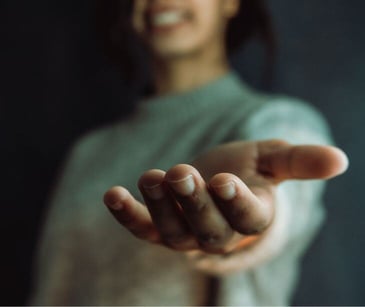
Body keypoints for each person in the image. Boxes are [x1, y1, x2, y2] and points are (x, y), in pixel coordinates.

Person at [29, 0, 348, 305]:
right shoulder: (88, 152)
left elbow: (283, 207)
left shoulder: (276, 120)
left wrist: (248, 221)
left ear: (231, 2)